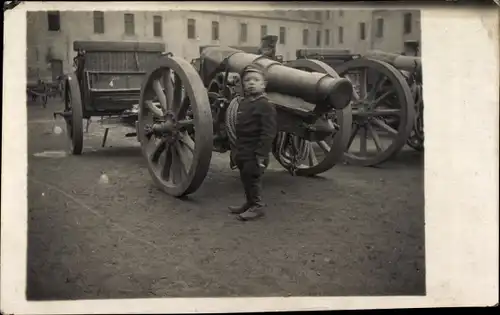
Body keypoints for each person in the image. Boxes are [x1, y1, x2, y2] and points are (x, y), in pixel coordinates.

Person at [228, 64, 277, 221]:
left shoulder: (265, 105)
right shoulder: (244, 103)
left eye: (256, 80)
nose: (251, 83)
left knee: (253, 179)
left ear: (263, 85)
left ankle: (258, 206)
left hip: (256, 152)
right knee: (245, 177)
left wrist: (261, 155)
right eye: (247, 80)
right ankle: (249, 203)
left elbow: (268, 133)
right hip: (244, 149)